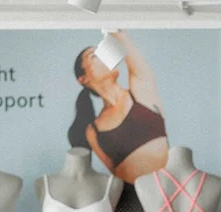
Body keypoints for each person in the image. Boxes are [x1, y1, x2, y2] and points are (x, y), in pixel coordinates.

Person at [70, 30, 168, 183]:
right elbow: (115, 176)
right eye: (94, 56)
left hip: (168, 192)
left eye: (103, 53)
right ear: (83, 79)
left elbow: (124, 39)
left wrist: (113, 31)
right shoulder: (93, 131)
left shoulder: (140, 88)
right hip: (130, 196)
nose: (104, 57)